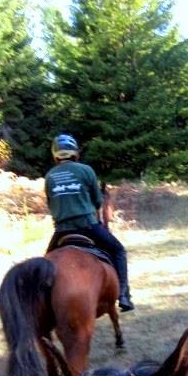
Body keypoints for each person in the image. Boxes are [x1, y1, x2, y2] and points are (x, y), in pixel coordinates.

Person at [44, 133, 134, 312]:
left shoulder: (50, 176)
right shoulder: (86, 170)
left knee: (45, 264)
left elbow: (50, 204)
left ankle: (45, 303)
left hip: (62, 231)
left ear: (55, 154)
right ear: (75, 152)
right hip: (88, 226)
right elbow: (98, 201)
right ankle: (123, 295)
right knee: (118, 250)